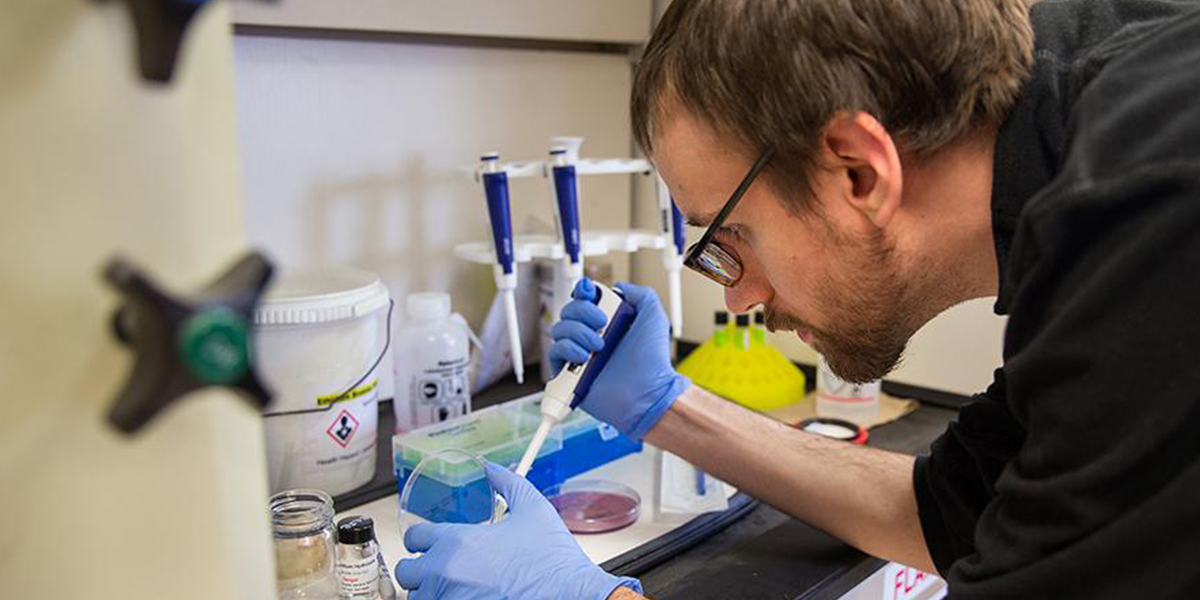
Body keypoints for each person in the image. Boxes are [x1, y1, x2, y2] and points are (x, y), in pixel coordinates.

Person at [396, 0, 1200, 597]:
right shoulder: (1076, 143)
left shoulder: (1151, 210)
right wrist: (663, 407)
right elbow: (956, 514)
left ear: (856, 169)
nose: (739, 297)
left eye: (730, 236)